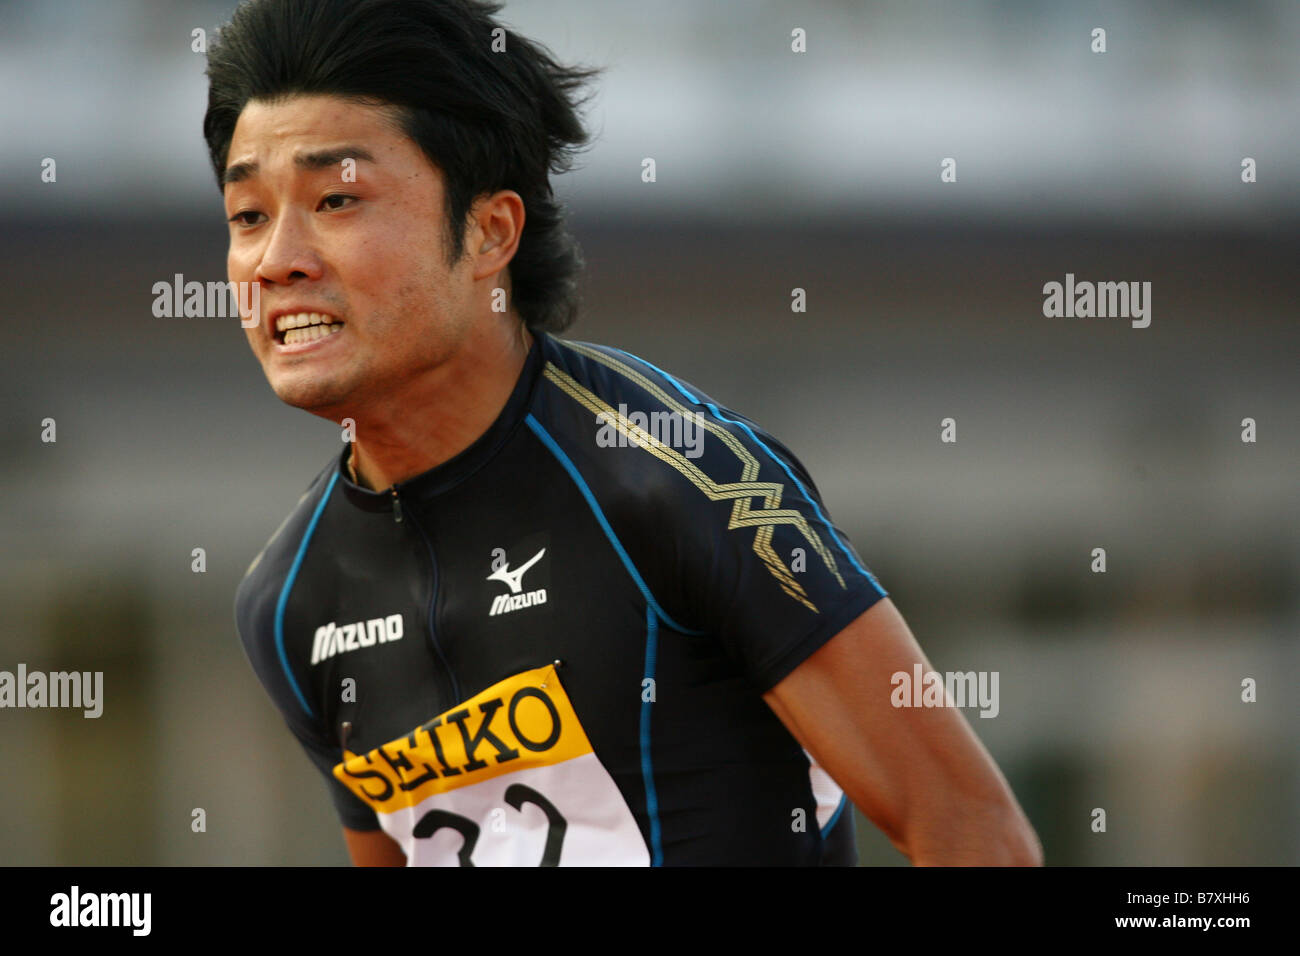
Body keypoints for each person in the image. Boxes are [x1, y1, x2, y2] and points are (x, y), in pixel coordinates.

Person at [209, 0, 1042, 867]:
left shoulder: (675, 478)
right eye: (248, 217)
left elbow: (971, 830)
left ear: (490, 231)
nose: (277, 262)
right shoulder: (288, 601)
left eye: (336, 198)